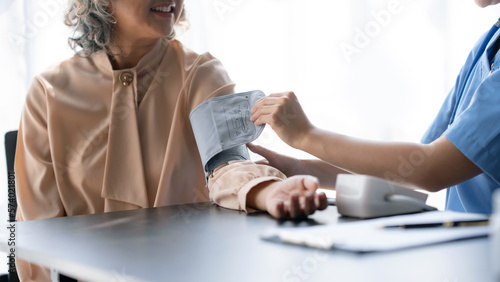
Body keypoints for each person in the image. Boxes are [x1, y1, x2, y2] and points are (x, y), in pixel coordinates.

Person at [15, 1, 327, 280]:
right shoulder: (49, 92)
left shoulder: (201, 73)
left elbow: (227, 164)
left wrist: (266, 190)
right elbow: (37, 227)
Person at [250, 0, 500, 215]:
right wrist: (302, 169)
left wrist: (305, 135)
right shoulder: (488, 45)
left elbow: (432, 169)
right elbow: (412, 166)